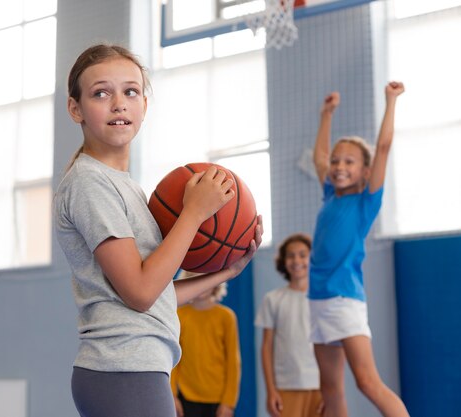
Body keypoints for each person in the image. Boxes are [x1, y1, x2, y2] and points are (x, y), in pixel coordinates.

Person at [53, 43, 263, 417]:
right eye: (101, 93)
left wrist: (225, 273)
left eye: (130, 91)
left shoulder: (124, 185)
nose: (119, 103)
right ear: (76, 109)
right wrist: (194, 213)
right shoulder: (90, 184)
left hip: (134, 368)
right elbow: (140, 292)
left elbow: (156, 291)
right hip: (122, 370)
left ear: (144, 105)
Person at [309, 82, 408, 417]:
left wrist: (390, 100)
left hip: (344, 300)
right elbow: (319, 157)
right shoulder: (328, 195)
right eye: (337, 161)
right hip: (318, 300)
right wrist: (326, 115)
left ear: (365, 172)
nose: (338, 166)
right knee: (331, 389)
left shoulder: (366, 203)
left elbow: (383, 147)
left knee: (367, 382)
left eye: (349, 162)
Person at [255, 233, 323, 417]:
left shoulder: (323, 299)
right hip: (286, 385)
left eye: (302, 255)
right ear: (284, 261)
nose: (297, 260)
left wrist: (330, 387)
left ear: (312, 258)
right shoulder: (273, 299)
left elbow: (331, 345)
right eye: (291, 255)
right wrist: (271, 390)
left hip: (320, 386)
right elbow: (266, 348)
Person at [171, 271, 241, 417]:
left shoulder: (226, 317)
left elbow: (233, 363)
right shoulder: (179, 316)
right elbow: (174, 361)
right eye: (194, 279)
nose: (200, 283)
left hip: (218, 399)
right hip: (186, 397)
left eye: (204, 278)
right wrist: (172, 395)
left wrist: (229, 402)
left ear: (215, 283)